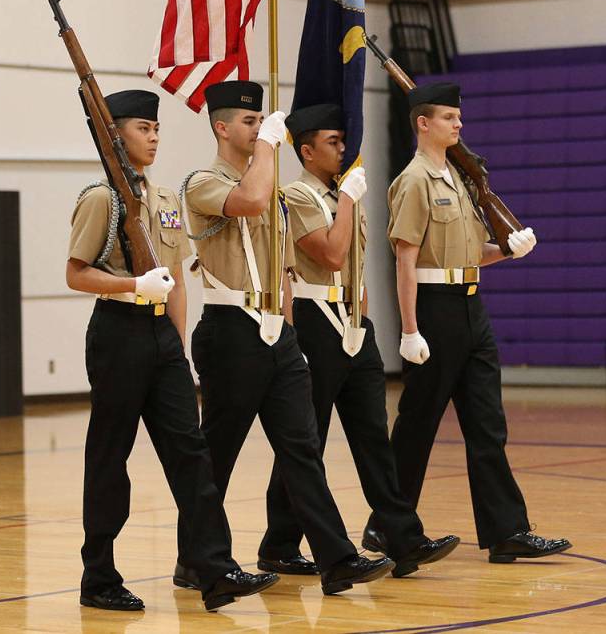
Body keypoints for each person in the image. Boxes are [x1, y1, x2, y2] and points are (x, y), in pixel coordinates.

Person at [172, 81, 392, 596]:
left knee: (302, 448)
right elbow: (247, 201)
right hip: (230, 332)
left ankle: (336, 559)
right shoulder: (202, 182)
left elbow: (285, 270)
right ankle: (196, 560)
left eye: (260, 123)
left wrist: (288, 334)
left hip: (276, 332)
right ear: (222, 128)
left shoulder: (271, 187)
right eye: (248, 123)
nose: (258, 129)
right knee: (217, 455)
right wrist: (269, 144)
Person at [66, 89, 278, 612]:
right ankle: (99, 577)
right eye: (143, 128)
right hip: (118, 333)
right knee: (110, 459)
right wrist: (132, 286)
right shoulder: (101, 198)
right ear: (114, 134)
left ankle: (214, 568)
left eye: (157, 128)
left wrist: (177, 351)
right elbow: (76, 274)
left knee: (193, 456)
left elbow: (179, 280)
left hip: (162, 339)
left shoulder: (162, 200)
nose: (154, 136)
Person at [256, 103, 460, 578]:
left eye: (344, 141)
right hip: (314, 321)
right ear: (306, 151)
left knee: (374, 439)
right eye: (332, 142)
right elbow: (329, 254)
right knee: (308, 440)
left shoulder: (346, 193)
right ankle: (281, 542)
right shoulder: (297, 195)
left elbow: (357, 266)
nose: (344, 149)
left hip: (352, 324)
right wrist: (346, 200)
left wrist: (362, 321)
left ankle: (402, 537)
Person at [373, 82, 572, 563]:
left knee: (487, 423)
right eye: (447, 117)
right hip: (434, 310)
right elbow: (405, 260)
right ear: (423, 123)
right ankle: (387, 529)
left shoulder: (460, 181)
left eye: (458, 117)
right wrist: (409, 329)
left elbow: (469, 257)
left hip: (470, 306)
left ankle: (507, 530)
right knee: (417, 426)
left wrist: (508, 249)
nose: (458, 125)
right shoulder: (414, 181)